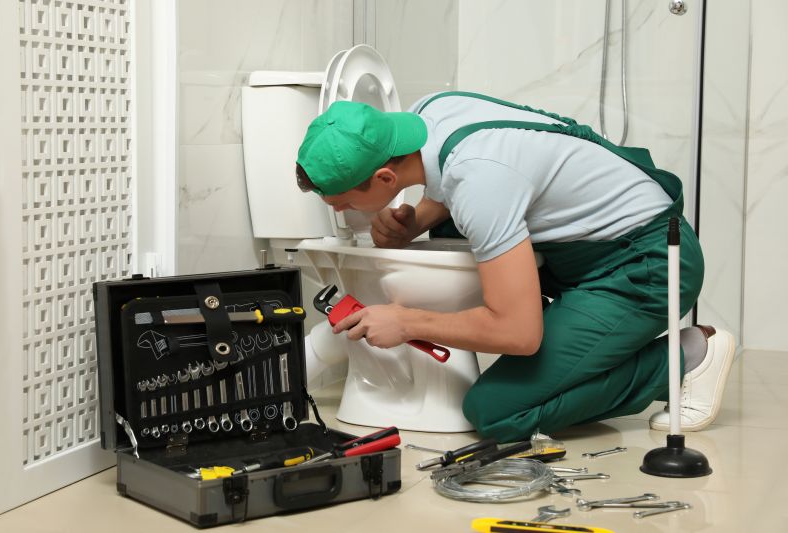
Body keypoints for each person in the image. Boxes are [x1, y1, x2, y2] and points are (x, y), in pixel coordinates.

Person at [294, 91, 736, 442]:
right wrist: (418, 223)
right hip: (584, 245)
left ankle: (686, 361)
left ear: (386, 179)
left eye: (347, 202)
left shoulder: (481, 180)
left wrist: (408, 323)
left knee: (497, 412)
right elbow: (458, 182)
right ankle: (584, 339)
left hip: (645, 265)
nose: (347, 212)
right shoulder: (430, 113)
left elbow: (519, 336)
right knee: (449, 227)